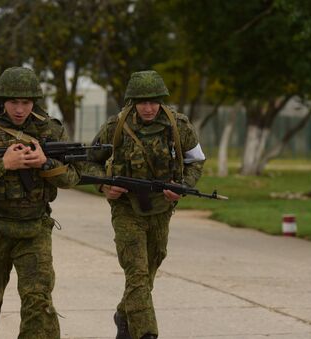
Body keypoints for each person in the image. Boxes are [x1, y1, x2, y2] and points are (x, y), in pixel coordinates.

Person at [0, 66, 80, 338]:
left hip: (34, 227)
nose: (20, 109)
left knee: (38, 300)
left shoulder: (51, 131)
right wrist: (2, 164)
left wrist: (46, 163)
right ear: (1, 102)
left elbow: (72, 178)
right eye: (13, 102)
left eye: (26, 103)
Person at [87, 70, 205, 339]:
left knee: (153, 262)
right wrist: (104, 184)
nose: (149, 108)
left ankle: (124, 314)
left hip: (161, 209)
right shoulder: (115, 127)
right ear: (132, 102)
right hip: (126, 209)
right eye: (142, 102)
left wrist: (183, 186)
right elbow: (88, 160)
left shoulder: (179, 126)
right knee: (136, 271)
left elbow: (196, 160)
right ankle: (146, 333)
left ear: (162, 101)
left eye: (153, 102)